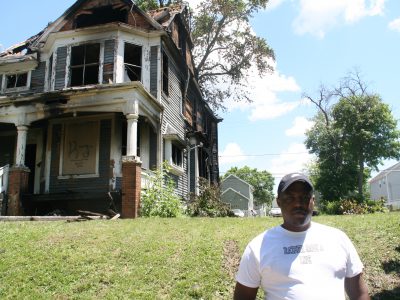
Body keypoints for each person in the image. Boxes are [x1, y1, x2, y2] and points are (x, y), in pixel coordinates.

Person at [234, 172, 370, 300]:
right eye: (289, 198)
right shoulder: (258, 246)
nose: (298, 203)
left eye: (304, 197)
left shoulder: (338, 239)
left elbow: (359, 293)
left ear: (313, 201)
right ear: (279, 202)